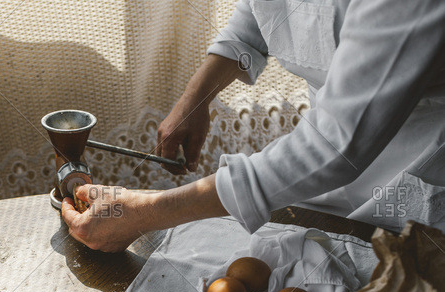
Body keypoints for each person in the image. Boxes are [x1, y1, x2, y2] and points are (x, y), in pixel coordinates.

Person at [62, 0, 445, 252]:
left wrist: (146, 211)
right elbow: (267, 12)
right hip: (329, 176)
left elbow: (333, 146)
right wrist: (196, 98)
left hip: (420, 174)